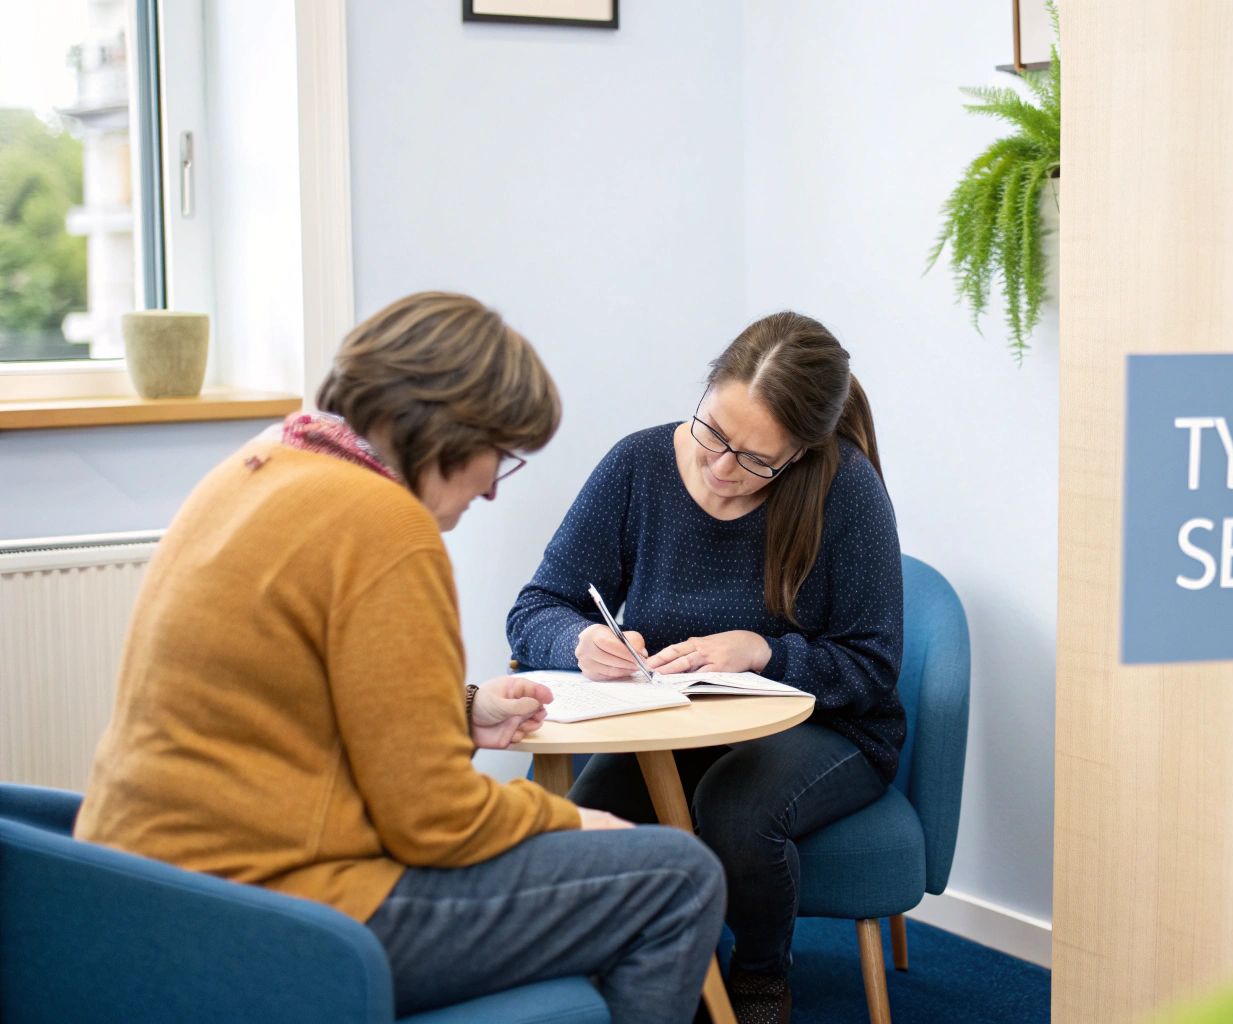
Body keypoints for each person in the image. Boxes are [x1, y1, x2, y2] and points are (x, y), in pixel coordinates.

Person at [75, 292, 726, 1022]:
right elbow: (435, 822)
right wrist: (568, 821)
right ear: (448, 425)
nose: (488, 489)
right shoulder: (385, 525)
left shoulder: (255, 467)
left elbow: (280, 694)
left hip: (136, 891)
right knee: (678, 875)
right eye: (498, 456)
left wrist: (460, 708)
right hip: (274, 911)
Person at [508, 311, 904, 1023]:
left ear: (801, 455)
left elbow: (873, 665)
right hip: (676, 726)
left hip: (831, 729)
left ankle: (758, 980)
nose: (722, 469)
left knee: (736, 811)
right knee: (583, 827)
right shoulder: (638, 466)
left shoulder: (844, 488)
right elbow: (538, 604)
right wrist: (577, 640)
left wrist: (765, 652)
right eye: (713, 435)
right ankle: (655, 975)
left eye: (755, 461)